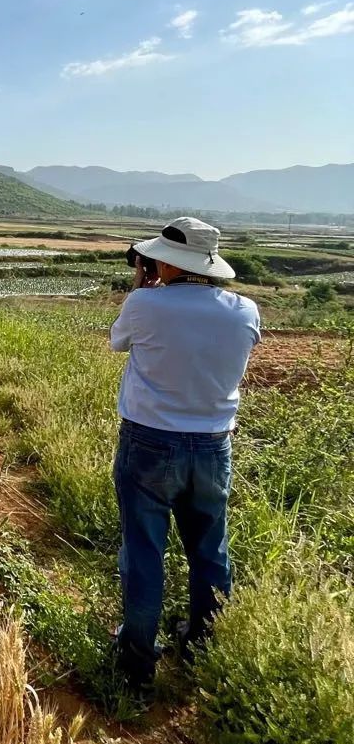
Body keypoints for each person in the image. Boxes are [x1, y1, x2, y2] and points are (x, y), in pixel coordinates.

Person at [109, 216, 261, 692]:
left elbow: (118, 342)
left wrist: (144, 284)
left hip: (150, 442)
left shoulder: (145, 304)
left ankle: (135, 658)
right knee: (210, 548)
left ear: (165, 261)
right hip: (215, 445)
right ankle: (202, 646)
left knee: (144, 548)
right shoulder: (244, 311)